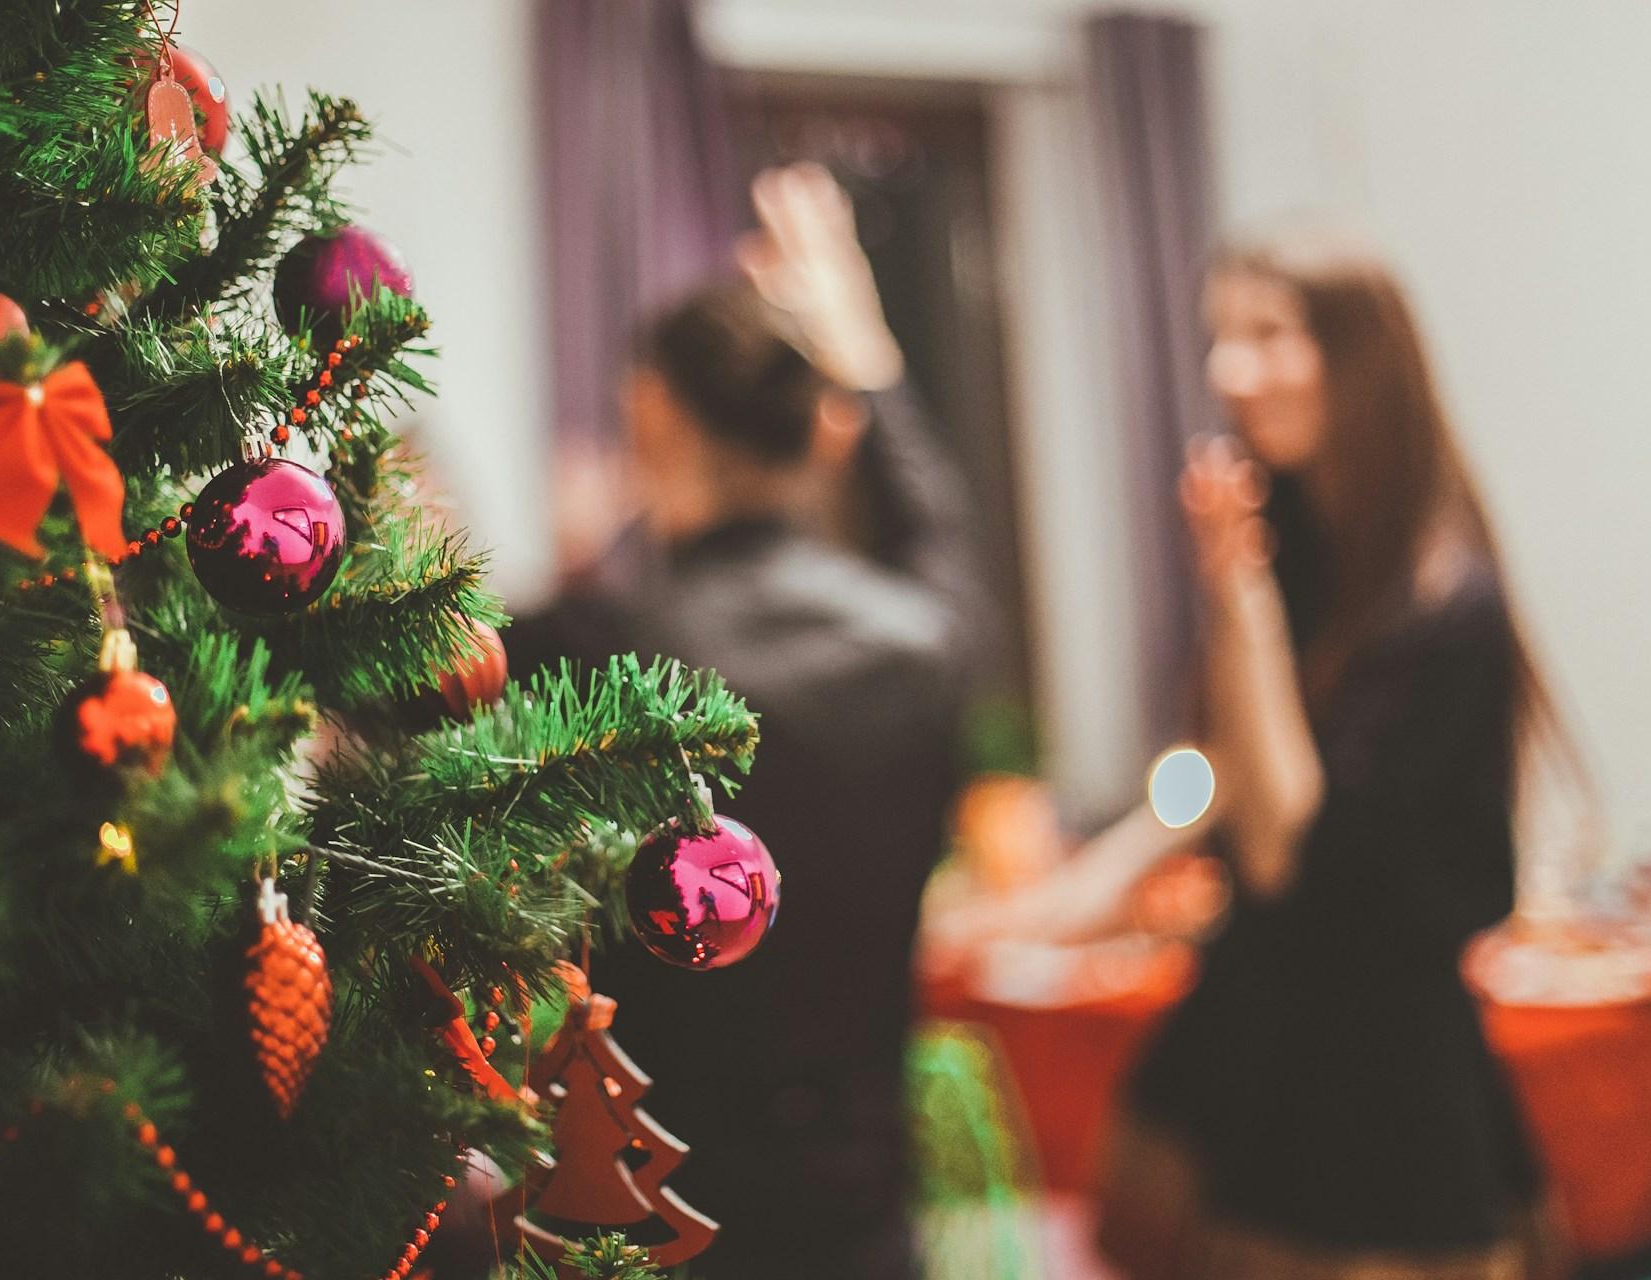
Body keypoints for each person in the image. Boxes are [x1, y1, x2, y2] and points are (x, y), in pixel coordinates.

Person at [1005, 228, 1568, 1279]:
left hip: (1381, 1104)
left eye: (1268, 334)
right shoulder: (1303, 547)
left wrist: (1241, 596)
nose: (1228, 371)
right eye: (1221, 336)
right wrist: (1083, 884)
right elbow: (1218, 768)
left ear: (1361, 358)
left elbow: (1278, 844)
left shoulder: (1444, 608)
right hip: (1262, 1053)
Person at [510, 164, 994, 1279]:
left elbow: (395, 684)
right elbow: (938, 527)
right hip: (862, 1213)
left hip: (652, 1208)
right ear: (823, 431)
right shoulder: (929, 640)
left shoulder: (591, 645)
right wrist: (869, 364)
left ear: (653, 414)